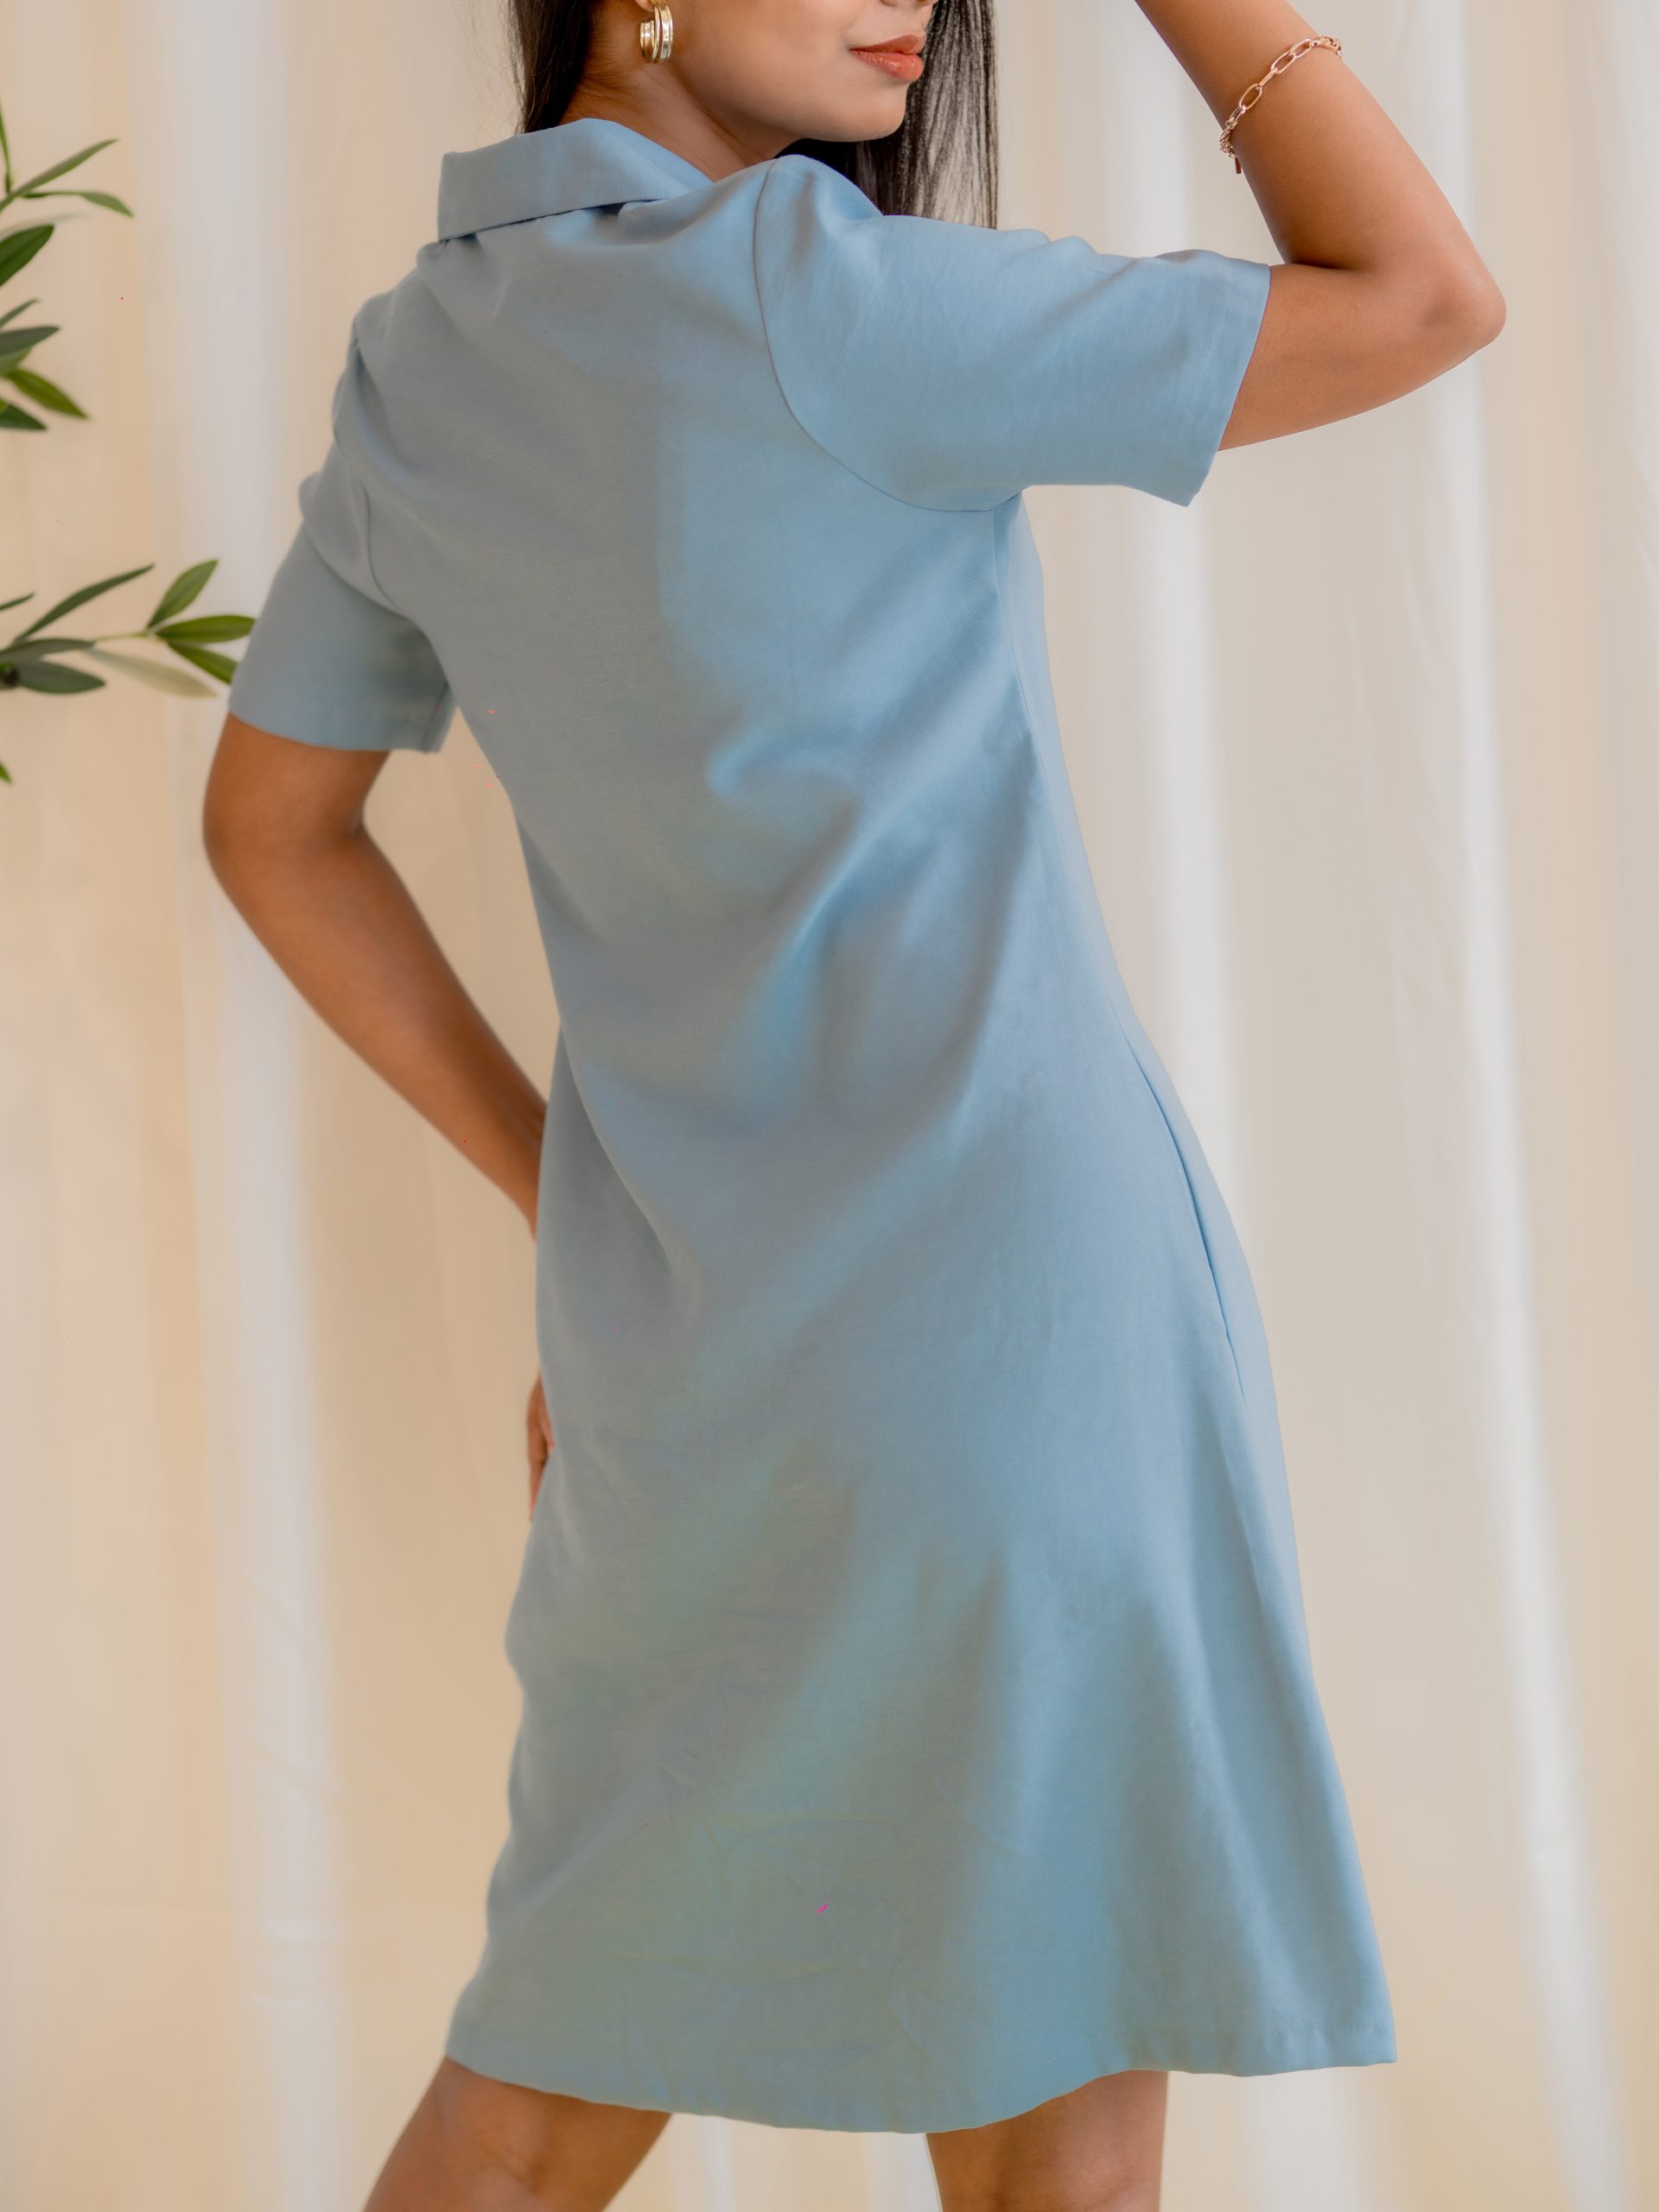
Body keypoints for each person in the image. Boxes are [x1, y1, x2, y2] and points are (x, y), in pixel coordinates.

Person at [201, 0, 1503, 2202]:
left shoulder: (423, 355)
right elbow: (1424, 297)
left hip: (688, 1360)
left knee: (543, 2087)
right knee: (1054, 2140)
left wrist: (562, 1197)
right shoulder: (836, 296)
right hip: (1018, 1330)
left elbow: (273, 830)